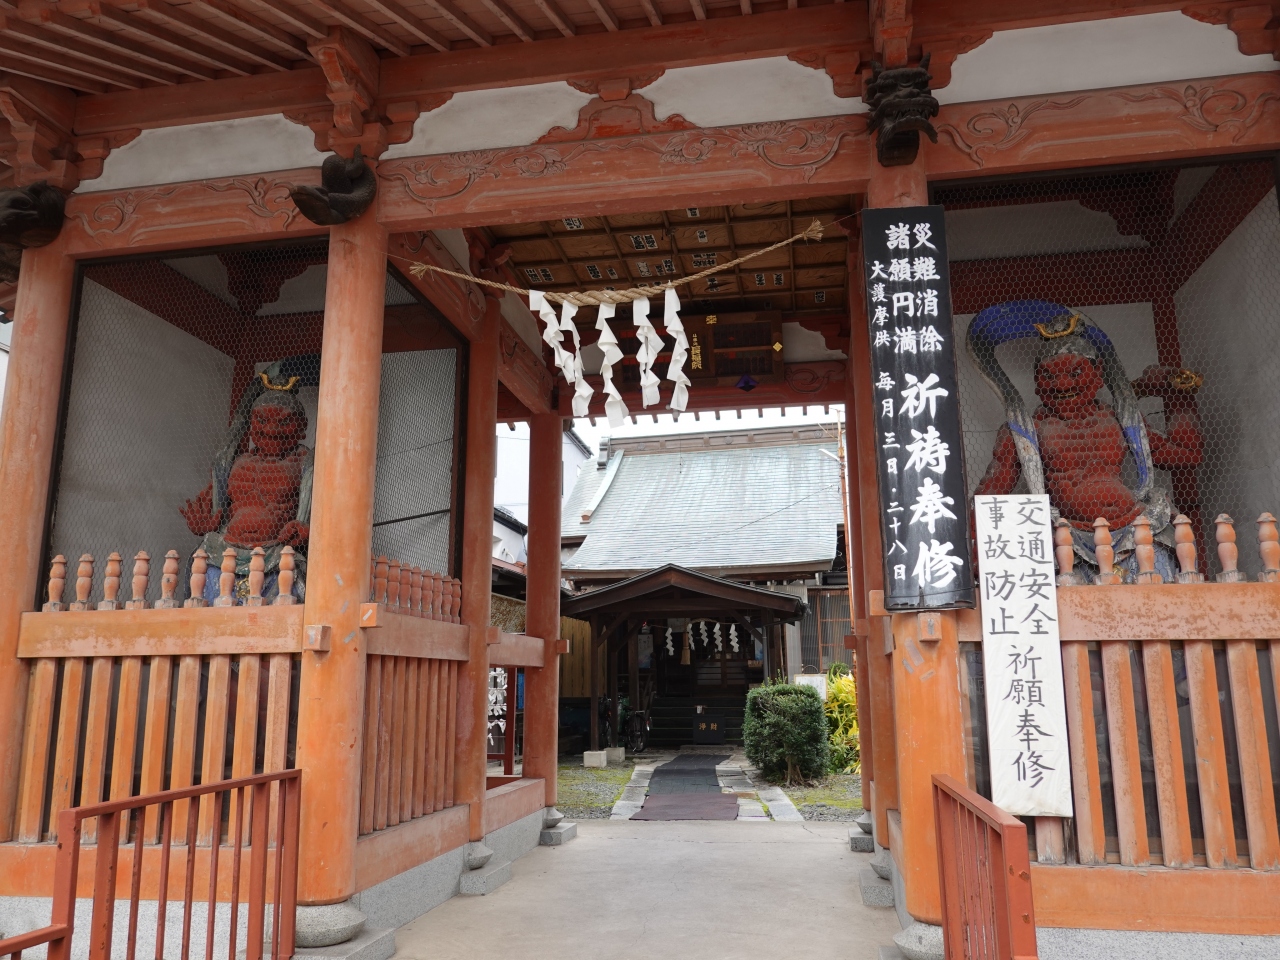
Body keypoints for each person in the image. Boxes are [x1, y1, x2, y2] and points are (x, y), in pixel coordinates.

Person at [968, 302, 1203, 582]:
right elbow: (990, 495)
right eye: (1049, 376)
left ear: (1098, 373)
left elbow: (1185, 455)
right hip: (1067, 536)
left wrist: (1178, 395)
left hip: (1135, 525)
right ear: (1036, 382)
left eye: (1075, 373)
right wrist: (972, 549)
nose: (1063, 385)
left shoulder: (1120, 418)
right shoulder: (1024, 431)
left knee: (1164, 571)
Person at [181, 368, 313, 602]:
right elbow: (215, 509)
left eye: (284, 422)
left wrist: (307, 526)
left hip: (275, 553)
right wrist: (206, 523)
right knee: (199, 565)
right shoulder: (236, 462)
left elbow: (327, 509)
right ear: (251, 425)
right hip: (225, 550)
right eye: (261, 421)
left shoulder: (305, 463)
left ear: (302, 427)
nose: (271, 430)